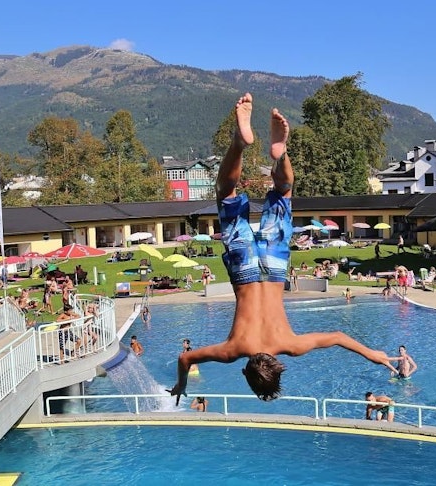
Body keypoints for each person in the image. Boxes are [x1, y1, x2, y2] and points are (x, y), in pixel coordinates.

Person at [167, 94, 396, 404]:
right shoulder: (233, 349)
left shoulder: (292, 344)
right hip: (243, 268)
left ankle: (281, 153)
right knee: (227, 193)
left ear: (278, 367)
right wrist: (182, 386)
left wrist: (372, 353)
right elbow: (185, 360)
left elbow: (339, 338)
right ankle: (238, 142)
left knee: (284, 193)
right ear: (247, 372)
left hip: (274, 266)